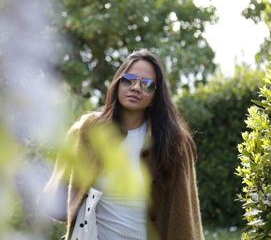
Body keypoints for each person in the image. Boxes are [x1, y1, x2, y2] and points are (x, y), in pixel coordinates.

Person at [39, 50, 204, 240]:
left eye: (147, 84)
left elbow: (185, 215)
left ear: (156, 96)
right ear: (117, 83)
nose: (136, 87)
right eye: (129, 79)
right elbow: (58, 194)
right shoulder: (88, 131)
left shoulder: (173, 142)